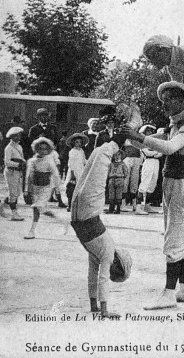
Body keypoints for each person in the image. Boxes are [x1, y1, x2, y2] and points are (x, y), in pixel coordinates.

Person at [122, 81, 184, 310]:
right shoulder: (174, 127)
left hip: (182, 186)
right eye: (163, 100)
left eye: (171, 99)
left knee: (173, 241)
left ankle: (168, 294)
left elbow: (168, 148)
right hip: (172, 184)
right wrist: (130, 134)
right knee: (178, 239)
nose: (165, 103)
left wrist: (139, 136)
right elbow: (147, 141)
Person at [69, 134, 132, 318]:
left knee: (98, 160)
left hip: (86, 211)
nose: (110, 273)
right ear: (117, 265)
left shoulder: (99, 254)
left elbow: (92, 277)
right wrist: (102, 310)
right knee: (99, 156)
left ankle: (117, 137)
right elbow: (100, 279)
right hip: (80, 215)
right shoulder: (107, 254)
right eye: (115, 273)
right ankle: (121, 134)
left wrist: (93, 306)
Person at [24, 137, 68, 239]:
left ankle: (32, 232)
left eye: (45, 149)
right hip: (35, 188)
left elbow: (56, 175)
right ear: (36, 149)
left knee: (37, 208)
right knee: (41, 209)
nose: (43, 151)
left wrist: (57, 190)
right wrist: (26, 190)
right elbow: (28, 176)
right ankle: (62, 220)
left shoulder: (49, 161)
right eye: (40, 149)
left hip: (46, 188)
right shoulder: (32, 161)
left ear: (49, 150)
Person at [135, 125, 162, 215]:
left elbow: (160, 153)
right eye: (148, 131)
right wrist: (155, 153)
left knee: (152, 184)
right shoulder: (142, 142)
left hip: (156, 162)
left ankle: (147, 206)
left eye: (151, 131)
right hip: (148, 162)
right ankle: (139, 207)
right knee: (145, 183)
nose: (150, 133)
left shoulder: (154, 142)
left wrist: (156, 153)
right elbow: (147, 153)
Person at [2, 127, 26, 221]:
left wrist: (23, 162)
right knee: (13, 193)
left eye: (19, 135)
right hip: (11, 171)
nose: (18, 136)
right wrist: (18, 164)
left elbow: (21, 157)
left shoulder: (19, 146)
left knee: (18, 192)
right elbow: (7, 162)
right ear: (11, 136)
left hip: (18, 172)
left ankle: (2, 206)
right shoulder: (9, 148)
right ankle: (14, 214)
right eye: (16, 135)